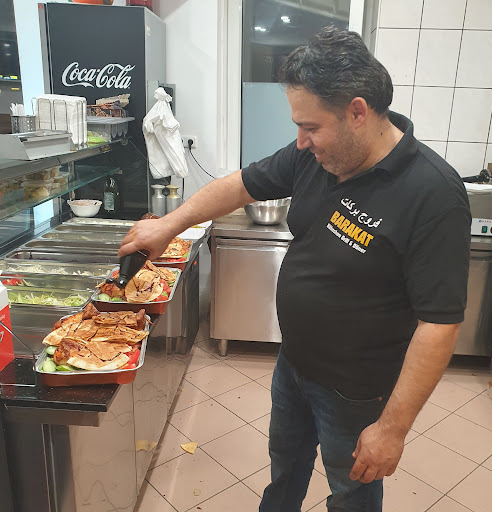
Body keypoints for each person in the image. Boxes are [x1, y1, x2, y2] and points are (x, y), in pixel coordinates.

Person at [119, 27, 471, 512]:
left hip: (356, 391)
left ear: (358, 113)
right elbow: (241, 185)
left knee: (350, 494)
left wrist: (392, 430)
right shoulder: (316, 156)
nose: (301, 141)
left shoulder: (433, 193)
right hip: (294, 363)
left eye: (311, 127)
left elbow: (440, 325)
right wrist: (169, 225)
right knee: (284, 468)